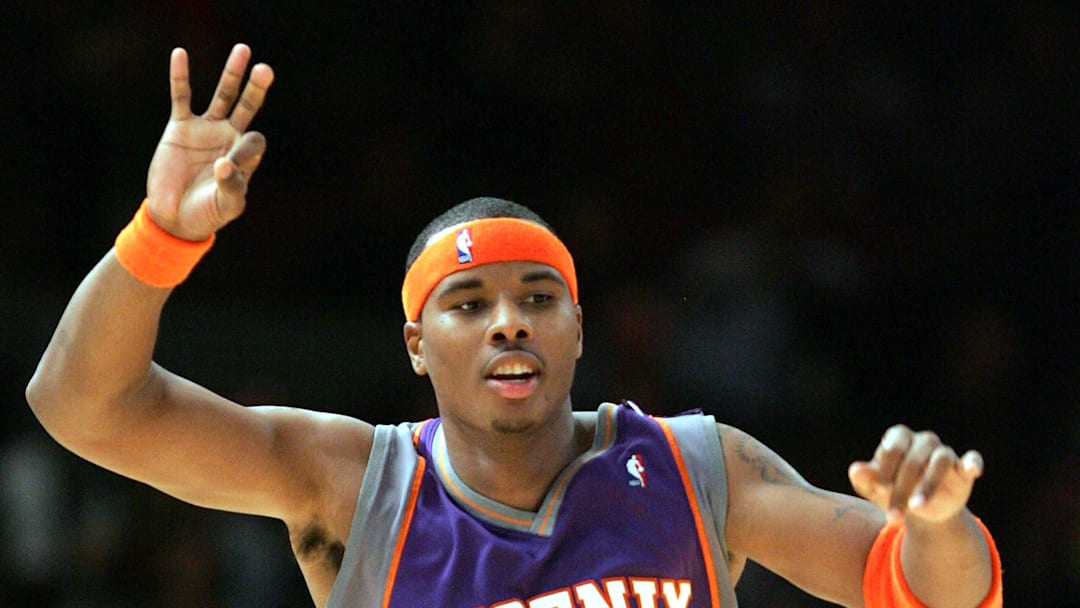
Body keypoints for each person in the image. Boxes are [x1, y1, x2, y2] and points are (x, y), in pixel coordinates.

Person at [26, 44, 1002, 608]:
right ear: (416, 342)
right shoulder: (349, 481)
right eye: (468, 303)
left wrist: (940, 523)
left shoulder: (700, 467)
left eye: (539, 297)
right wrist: (159, 239)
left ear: (578, 329)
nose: (508, 323)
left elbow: (923, 587)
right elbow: (84, 407)